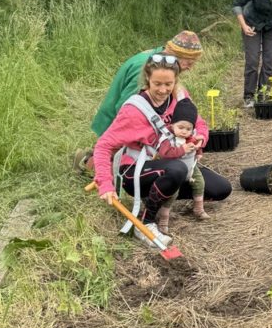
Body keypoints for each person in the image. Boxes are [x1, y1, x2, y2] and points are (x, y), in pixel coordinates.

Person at [94, 55, 230, 246]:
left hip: (176, 164)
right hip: (138, 173)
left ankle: (161, 195)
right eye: (157, 83)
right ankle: (146, 221)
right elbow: (103, 145)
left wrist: (201, 137)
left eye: (169, 84)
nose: (163, 90)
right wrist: (105, 183)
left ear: (176, 81)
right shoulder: (134, 110)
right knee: (176, 169)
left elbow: (199, 123)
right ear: (147, 79)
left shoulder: (180, 98)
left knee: (221, 189)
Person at [73, 30, 204, 174]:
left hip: (127, 122)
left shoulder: (160, 60)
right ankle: (86, 161)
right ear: (175, 56)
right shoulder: (144, 69)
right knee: (125, 168)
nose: (191, 68)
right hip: (114, 122)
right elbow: (124, 108)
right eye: (189, 62)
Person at [154, 97, 210, 233]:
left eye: (188, 128)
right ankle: (164, 217)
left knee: (200, 182)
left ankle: (198, 208)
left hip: (190, 167)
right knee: (173, 192)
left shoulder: (191, 136)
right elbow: (164, 153)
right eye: (181, 127)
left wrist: (199, 150)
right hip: (174, 170)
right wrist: (182, 150)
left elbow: (197, 142)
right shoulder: (168, 138)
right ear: (173, 124)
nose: (184, 131)